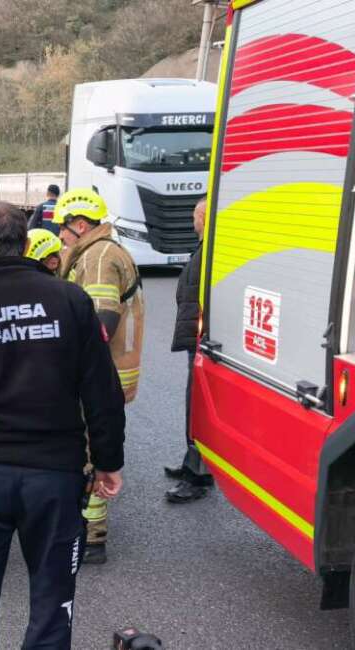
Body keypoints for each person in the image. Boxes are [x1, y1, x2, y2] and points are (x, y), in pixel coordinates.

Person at [0, 202, 126, 649]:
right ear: (29, 244)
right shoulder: (70, 300)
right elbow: (101, 391)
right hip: (55, 476)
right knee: (53, 602)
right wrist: (108, 462)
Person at [52, 188, 144, 566]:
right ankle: (90, 532)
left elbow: (101, 320)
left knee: (87, 451)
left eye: (63, 229)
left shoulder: (99, 256)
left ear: (79, 224)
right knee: (92, 446)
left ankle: (89, 538)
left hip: (102, 373)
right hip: (114, 371)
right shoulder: (102, 251)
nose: (59, 237)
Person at [165, 196, 214, 503]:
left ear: (203, 220)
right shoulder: (206, 248)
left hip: (201, 343)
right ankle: (192, 463)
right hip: (198, 340)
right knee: (194, 403)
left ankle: (195, 477)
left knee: (197, 406)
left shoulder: (211, 250)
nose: (193, 220)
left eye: (196, 215)